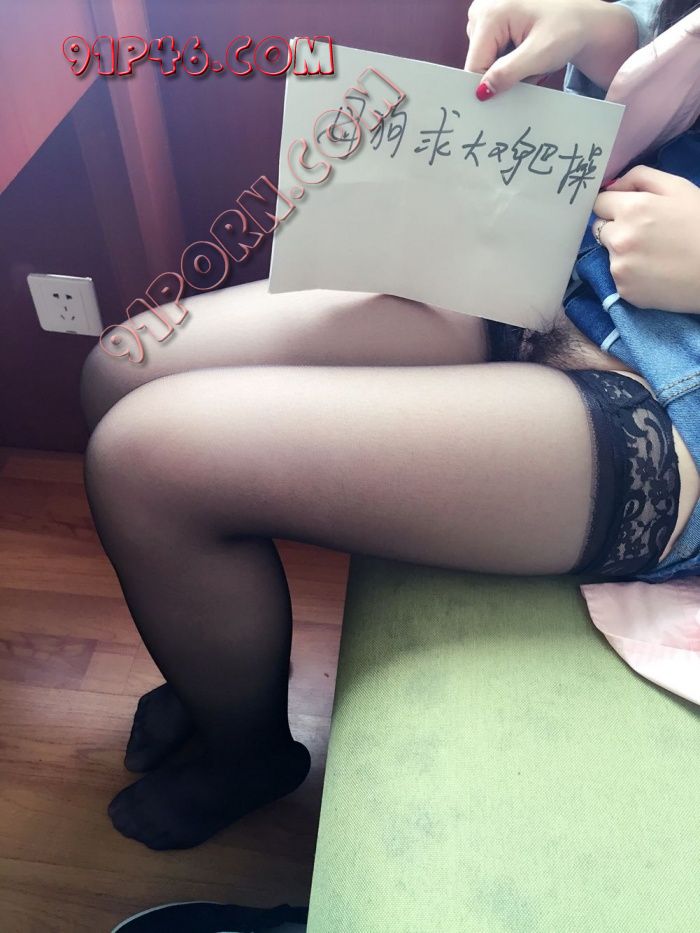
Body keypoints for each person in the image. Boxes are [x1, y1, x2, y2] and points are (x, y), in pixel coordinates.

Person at [79, 0, 700, 850]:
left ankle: (247, 753)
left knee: (145, 462)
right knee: (119, 367)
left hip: (668, 395)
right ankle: (213, 667)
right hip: (561, 256)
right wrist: (604, 35)